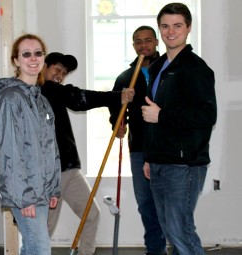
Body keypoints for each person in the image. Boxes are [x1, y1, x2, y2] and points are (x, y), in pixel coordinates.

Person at [41, 52, 135, 255]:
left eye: (64, 73)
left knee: (91, 214)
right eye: (57, 70)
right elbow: (78, 99)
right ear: (43, 67)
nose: (60, 76)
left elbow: (76, 99)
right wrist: (117, 96)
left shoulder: (55, 91)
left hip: (70, 170)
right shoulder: (42, 90)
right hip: (48, 176)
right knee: (43, 230)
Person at [141, 3, 217, 255]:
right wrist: (150, 157)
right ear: (159, 29)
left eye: (177, 26)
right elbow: (151, 118)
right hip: (160, 161)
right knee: (170, 230)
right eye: (165, 26)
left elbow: (206, 115)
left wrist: (162, 115)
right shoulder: (157, 68)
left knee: (180, 231)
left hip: (184, 165)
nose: (170, 32)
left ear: (188, 28)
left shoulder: (196, 69)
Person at [0, 34, 61, 255]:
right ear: (16, 61)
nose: (33, 58)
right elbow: (9, 151)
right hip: (26, 192)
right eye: (26, 54)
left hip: (41, 189)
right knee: (39, 249)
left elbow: (49, 148)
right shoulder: (11, 98)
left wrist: (52, 187)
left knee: (32, 248)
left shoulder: (40, 98)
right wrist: (24, 198)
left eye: (38, 53)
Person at [109, 26, 167, 255]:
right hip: (139, 149)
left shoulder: (169, 71)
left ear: (156, 42)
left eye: (148, 41)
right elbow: (115, 111)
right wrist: (118, 125)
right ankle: (155, 251)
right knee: (146, 205)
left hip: (168, 149)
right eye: (138, 42)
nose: (144, 45)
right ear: (133, 46)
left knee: (168, 206)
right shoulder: (126, 78)